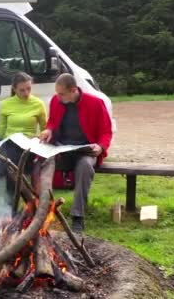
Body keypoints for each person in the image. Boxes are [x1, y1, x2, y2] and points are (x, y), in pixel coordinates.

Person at [38, 73, 113, 232]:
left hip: (85, 151)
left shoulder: (96, 103)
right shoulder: (55, 101)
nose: (57, 97)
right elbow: (52, 122)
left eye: (61, 94)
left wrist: (101, 147)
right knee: (41, 162)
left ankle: (78, 217)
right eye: (57, 93)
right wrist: (48, 130)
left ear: (73, 90)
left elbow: (106, 131)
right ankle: (40, 211)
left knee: (85, 166)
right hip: (61, 149)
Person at [0, 72, 47, 203]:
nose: (26, 93)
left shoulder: (38, 104)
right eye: (22, 90)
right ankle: (10, 209)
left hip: (28, 148)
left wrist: (39, 136)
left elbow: (46, 131)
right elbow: (1, 133)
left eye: (29, 89)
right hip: (10, 145)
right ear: (14, 89)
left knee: (11, 158)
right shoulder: (6, 104)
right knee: (11, 156)